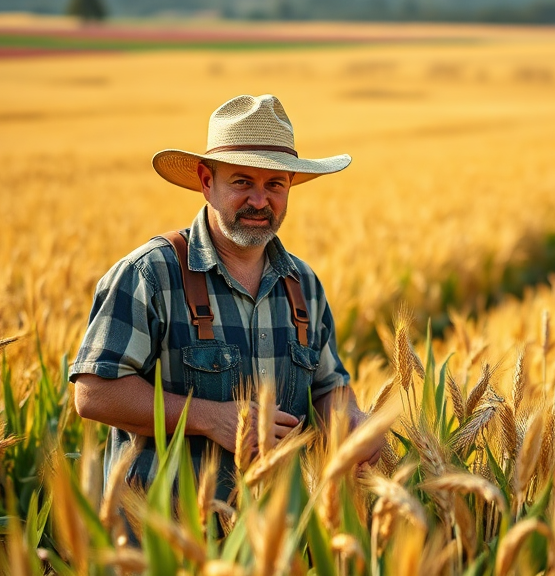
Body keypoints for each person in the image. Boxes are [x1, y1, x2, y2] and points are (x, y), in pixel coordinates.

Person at [70, 94, 378, 501]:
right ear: (205, 181)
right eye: (242, 182)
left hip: (276, 542)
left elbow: (327, 388)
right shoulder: (151, 273)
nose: (259, 200)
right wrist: (209, 418)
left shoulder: (303, 283)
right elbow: (94, 393)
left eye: (274, 185)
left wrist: (350, 423)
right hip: (162, 542)